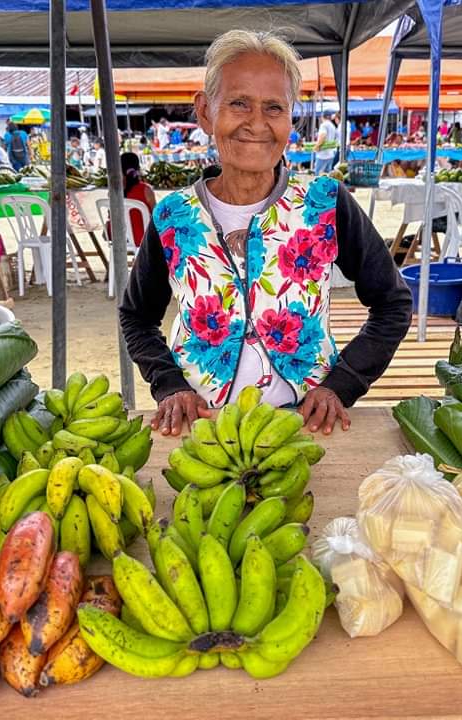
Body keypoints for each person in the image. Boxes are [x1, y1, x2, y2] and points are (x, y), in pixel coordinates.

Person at [119, 29, 412, 437]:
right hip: (201, 429)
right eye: (238, 103)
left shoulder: (324, 202)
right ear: (205, 111)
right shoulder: (172, 215)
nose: (256, 124)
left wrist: (341, 385)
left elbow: (392, 303)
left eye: (274, 107)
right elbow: (136, 316)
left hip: (305, 429)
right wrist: (169, 385)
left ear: (291, 118)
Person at [106, 152, 157, 248]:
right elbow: (156, 216)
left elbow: (110, 216)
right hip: (142, 238)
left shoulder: (113, 191)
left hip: (117, 237)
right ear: (137, 168)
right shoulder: (146, 190)